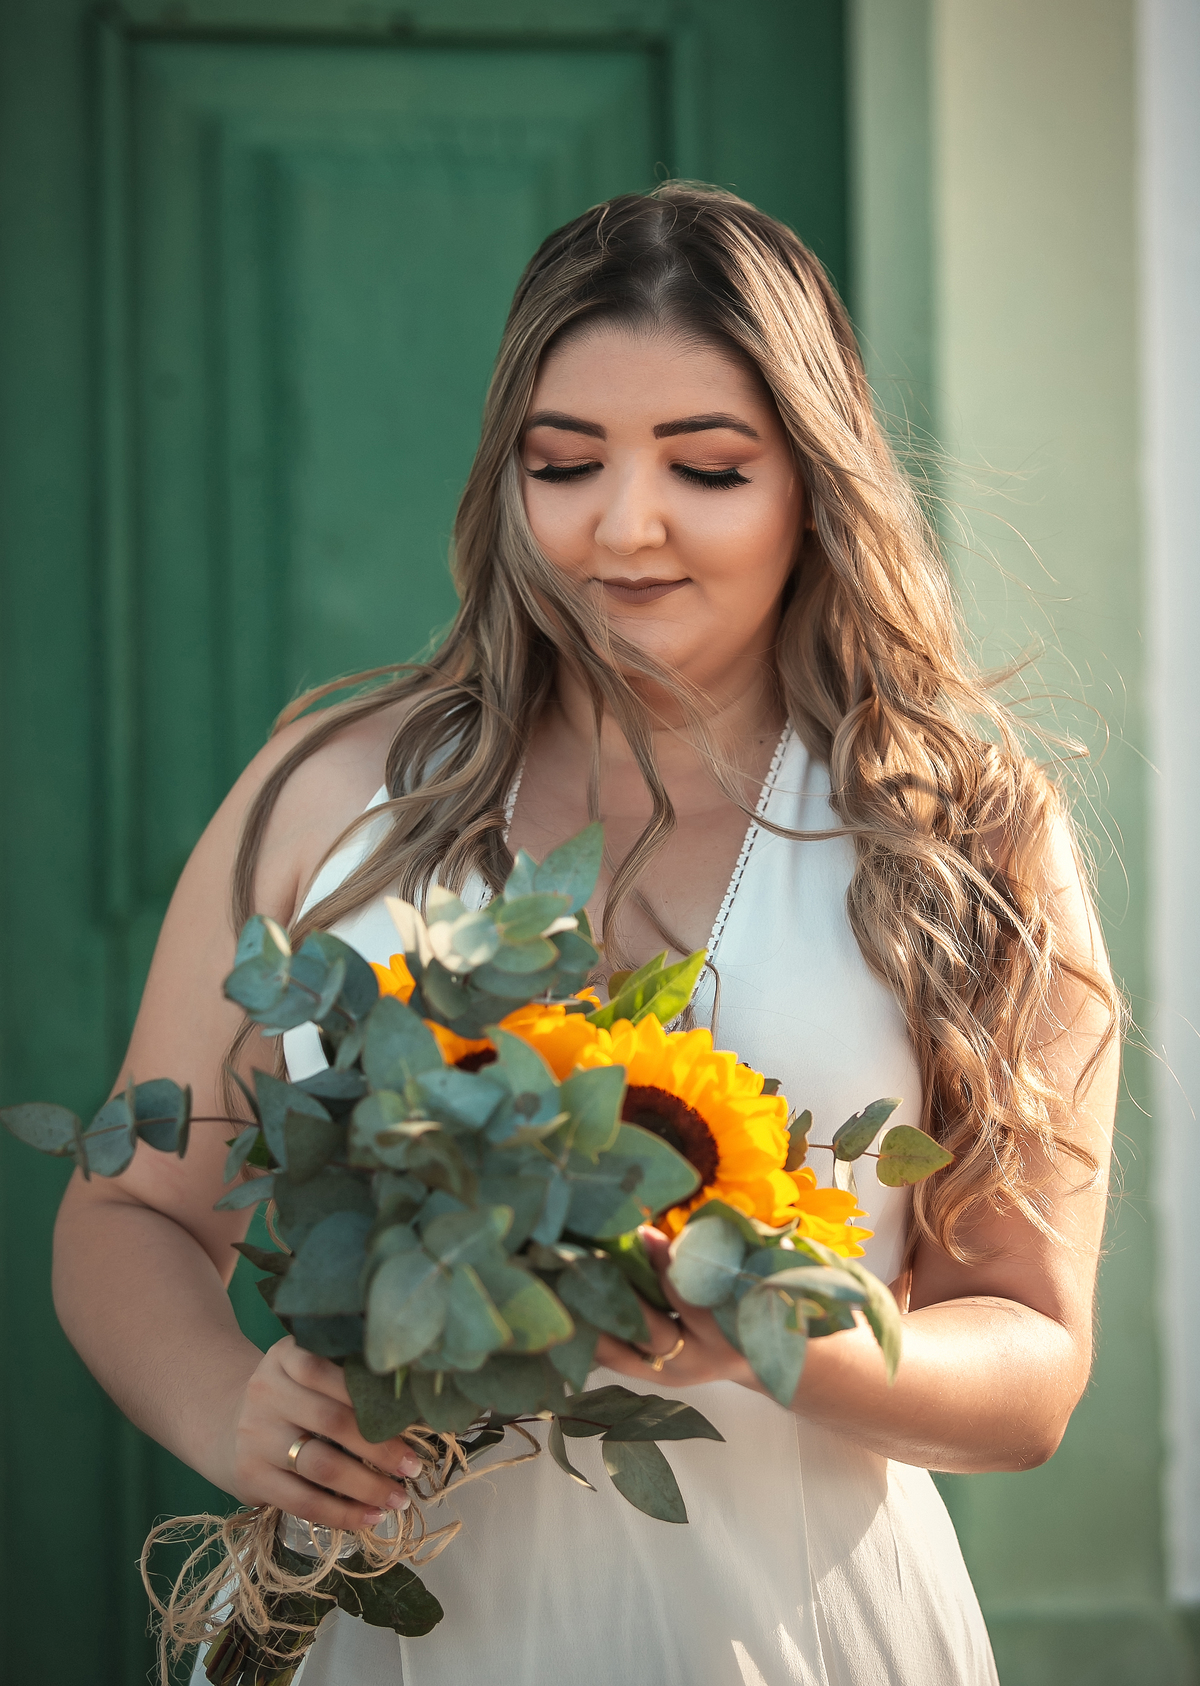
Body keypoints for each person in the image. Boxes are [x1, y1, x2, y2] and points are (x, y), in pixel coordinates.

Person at [52, 184, 1119, 1686]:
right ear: (510, 480)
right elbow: (130, 1211)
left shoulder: (964, 835)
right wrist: (235, 1407)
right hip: (389, 1634)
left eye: (709, 467)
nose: (626, 527)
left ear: (815, 482)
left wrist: (763, 1326)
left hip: (806, 1643)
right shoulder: (328, 790)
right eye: (566, 464)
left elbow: (1031, 1366)